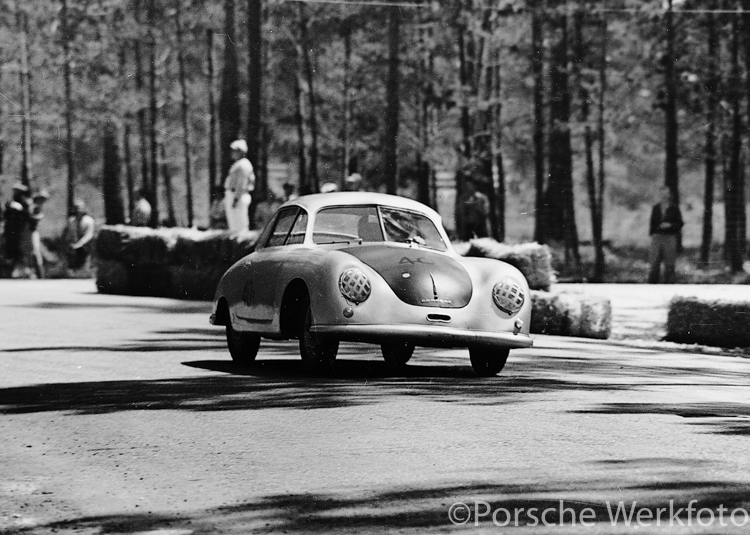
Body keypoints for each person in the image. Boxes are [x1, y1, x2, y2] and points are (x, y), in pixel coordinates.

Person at [648, 185, 684, 284]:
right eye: (662, 193)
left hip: (670, 237)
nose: (664, 195)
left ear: (669, 194)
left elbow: (680, 223)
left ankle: (669, 285)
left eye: (666, 193)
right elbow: (652, 224)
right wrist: (654, 235)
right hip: (657, 237)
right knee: (654, 263)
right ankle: (651, 286)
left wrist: (670, 225)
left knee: (669, 263)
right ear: (659, 194)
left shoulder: (674, 208)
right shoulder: (656, 208)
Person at [223, 139, 255, 231]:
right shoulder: (239, 164)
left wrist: (236, 199)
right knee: (234, 224)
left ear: (241, 152)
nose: (232, 153)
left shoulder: (243, 164)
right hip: (235, 195)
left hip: (237, 196)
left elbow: (241, 183)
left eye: (235, 151)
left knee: (239, 224)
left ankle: (240, 244)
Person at [3, 183, 31, 277]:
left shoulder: (25, 202)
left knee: (21, 249)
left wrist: (20, 209)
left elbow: (27, 216)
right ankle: (13, 271)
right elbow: (6, 215)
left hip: (21, 231)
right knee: (11, 249)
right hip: (11, 230)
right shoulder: (11, 201)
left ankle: (24, 270)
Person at [67, 199, 96, 270]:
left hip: (86, 244)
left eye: (79, 208)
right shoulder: (72, 221)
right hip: (76, 244)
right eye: (76, 208)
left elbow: (89, 235)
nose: (77, 210)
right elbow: (69, 235)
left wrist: (79, 244)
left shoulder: (89, 220)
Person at [459, 177, 490, 241]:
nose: (469, 187)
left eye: (470, 185)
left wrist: (477, 206)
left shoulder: (481, 198)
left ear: (475, 186)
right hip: (468, 224)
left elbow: (485, 211)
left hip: (479, 223)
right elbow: (461, 212)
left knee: (482, 240)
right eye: (467, 185)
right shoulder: (464, 198)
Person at [28, 190, 49, 279]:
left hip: (34, 231)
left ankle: (40, 274)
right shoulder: (33, 206)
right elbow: (31, 216)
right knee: (34, 252)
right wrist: (40, 216)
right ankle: (37, 273)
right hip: (29, 231)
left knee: (37, 252)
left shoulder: (38, 206)